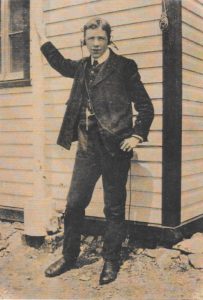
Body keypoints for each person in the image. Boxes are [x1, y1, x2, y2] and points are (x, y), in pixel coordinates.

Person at [36, 17, 154, 285]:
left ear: (108, 39)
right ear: (85, 41)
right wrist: (43, 40)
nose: (96, 44)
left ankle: (111, 261)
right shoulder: (81, 68)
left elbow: (145, 106)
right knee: (75, 203)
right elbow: (60, 64)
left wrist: (136, 134)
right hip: (87, 148)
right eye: (91, 39)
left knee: (113, 208)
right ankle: (69, 256)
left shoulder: (124, 67)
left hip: (115, 149)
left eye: (101, 38)